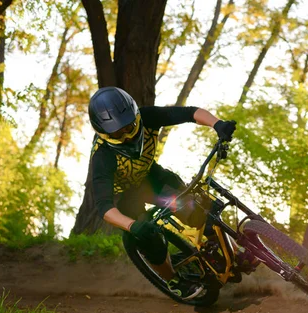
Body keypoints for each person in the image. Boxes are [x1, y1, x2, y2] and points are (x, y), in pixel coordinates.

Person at [88, 86, 236, 300]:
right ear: (103, 133)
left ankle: (226, 251)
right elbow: (104, 207)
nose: (127, 136)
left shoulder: (148, 116)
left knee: (197, 207)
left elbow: (190, 113)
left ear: (136, 116)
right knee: (148, 237)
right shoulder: (102, 156)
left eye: (129, 127)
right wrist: (132, 225)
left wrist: (217, 124)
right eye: (116, 134)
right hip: (125, 198)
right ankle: (174, 281)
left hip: (150, 179)